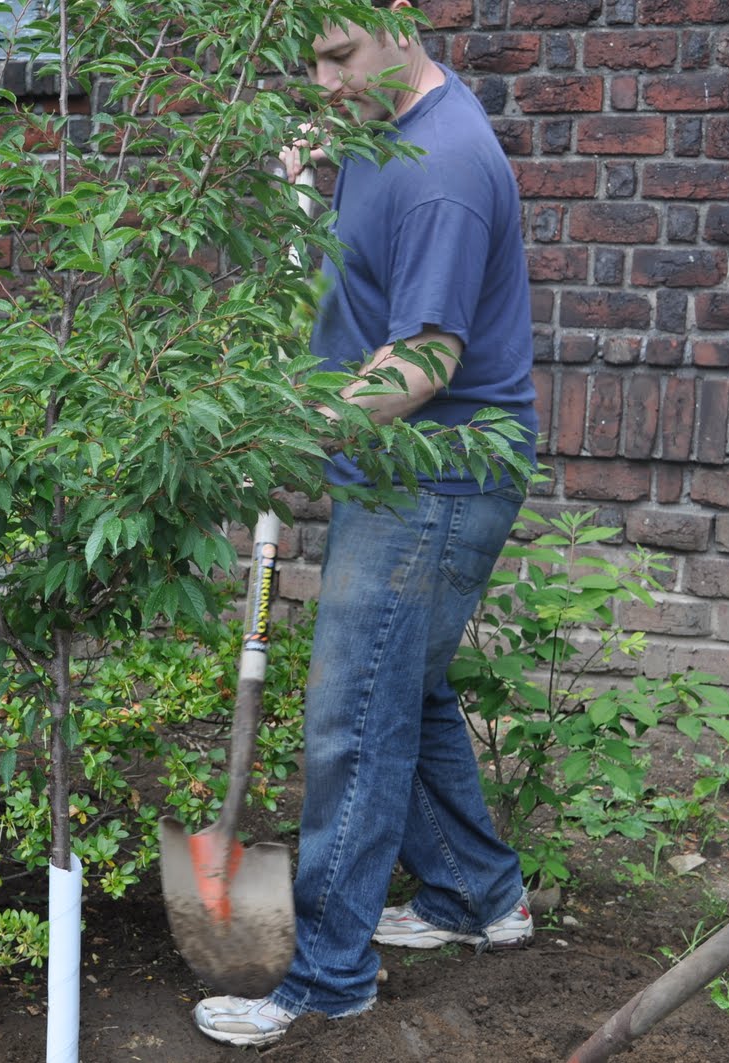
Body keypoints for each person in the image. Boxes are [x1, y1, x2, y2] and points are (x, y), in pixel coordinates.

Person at [192, 0, 541, 1047]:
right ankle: (478, 896)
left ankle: (327, 974)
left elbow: (422, 364)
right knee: (407, 683)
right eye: (313, 64)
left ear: (398, 22)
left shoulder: (442, 171)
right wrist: (307, 179)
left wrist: (280, 434)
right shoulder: (378, 132)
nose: (326, 82)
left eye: (340, 56)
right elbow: (348, 269)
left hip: (435, 477)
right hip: (401, 471)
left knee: (353, 715)